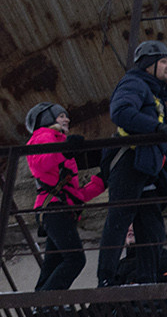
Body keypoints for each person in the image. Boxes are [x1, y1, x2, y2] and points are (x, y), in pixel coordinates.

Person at [96, 40, 167, 287]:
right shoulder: (134, 84)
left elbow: (159, 156)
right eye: (165, 61)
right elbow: (121, 112)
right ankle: (105, 279)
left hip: (145, 169)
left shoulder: (155, 96)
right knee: (120, 218)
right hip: (129, 164)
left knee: (152, 230)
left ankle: (146, 282)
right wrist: (158, 128)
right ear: (150, 64)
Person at [24, 102, 106, 291]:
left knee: (53, 265)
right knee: (75, 259)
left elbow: (75, 194)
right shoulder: (43, 136)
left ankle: (43, 310)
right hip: (54, 210)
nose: (66, 119)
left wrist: (101, 182)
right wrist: (65, 149)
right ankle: (48, 304)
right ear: (47, 118)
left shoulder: (57, 141)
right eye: (61, 116)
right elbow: (40, 162)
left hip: (58, 210)